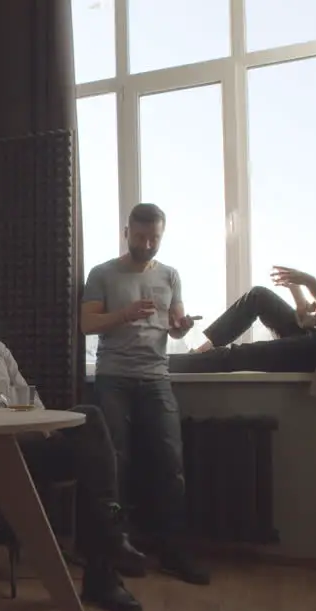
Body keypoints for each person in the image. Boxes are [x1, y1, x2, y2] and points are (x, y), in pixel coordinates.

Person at [0, 278, 148, 611]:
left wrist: (44, 425)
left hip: (31, 441)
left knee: (91, 427)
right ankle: (108, 554)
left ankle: (107, 551)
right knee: (98, 460)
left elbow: (24, 393)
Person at [80, 203, 210, 586]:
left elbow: (174, 325)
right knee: (114, 462)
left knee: (171, 462)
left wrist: (182, 327)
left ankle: (172, 550)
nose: (148, 244)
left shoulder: (170, 275)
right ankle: (116, 546)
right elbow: (87, 324)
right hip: (113, 377)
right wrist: (125, 313)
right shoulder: (102, 273)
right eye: (140, 237)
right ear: (126, 233)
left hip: (156, 376)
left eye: (154, 237)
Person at [169, 194, 316, 400]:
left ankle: (163, 364)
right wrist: (296, 289)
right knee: (258, 296)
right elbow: (311, 318)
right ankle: (200, 352)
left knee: (238, 355)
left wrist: (310, 282)